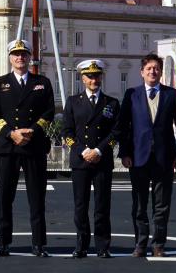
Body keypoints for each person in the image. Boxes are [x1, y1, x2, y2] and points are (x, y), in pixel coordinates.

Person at [0, 39, 55, 257]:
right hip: (8, 148)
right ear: (10, 58)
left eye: (24, 54)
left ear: (29, 58)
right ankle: (3, 243)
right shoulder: (0, 83)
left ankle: (39, 244)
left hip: (33, 147)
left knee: (37, 198)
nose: (20, 58)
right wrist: (11, 133)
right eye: (16, 54)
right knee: (4, 198)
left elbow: (49, 113)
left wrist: (31, 131)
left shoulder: (42, 82)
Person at [119, 53, 176, 258]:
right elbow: (123, 126)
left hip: (164, 157)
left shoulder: (172, 95)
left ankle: (158, 244)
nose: (152, 72)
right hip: (138, 157)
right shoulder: (131, 94)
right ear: (141, 72)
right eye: (148, 68)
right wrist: (124, 153)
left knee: (162, 205)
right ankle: (140, 244)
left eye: (156, 68)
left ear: (160, 72)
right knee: (139, 205)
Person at [61, 59, 121, 259]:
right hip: (81, 160)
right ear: (82, 78)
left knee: (102, 205)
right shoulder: (72, 102)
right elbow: (67, 132)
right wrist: (83, 151)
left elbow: (116, 132)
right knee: (81, 205)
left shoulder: (111, 103)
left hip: (102, 160)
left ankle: (103, 246)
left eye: (97, 76)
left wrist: (99, 151)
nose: (94, 79)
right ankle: (81, 245)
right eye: (89, 76)